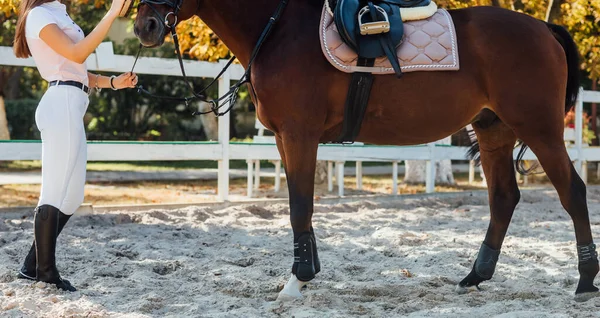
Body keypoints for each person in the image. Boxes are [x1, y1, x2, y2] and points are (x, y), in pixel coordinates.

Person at [13, 0, 135, 291]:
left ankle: (32, 264)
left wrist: (114, 83)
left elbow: (77, 70)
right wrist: (110, 14)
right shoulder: (38, 15)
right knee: (53, 193)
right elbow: (77, 53)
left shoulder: (58, 12)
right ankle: (45, 272)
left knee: (72, 197)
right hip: (62, 104)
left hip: (73, 102)